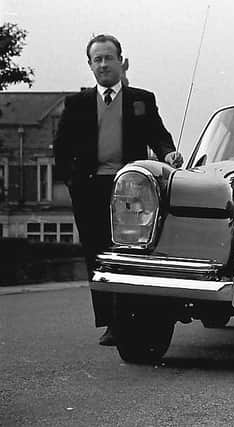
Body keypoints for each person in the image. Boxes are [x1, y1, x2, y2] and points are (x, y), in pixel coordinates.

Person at [54, 34, 183, 346]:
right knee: (96, 256)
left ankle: (127, 321)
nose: (103, 65)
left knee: (125, 254)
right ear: (90, 65)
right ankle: (109, 323)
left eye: (108, 58)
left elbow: (159, 136)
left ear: (120, 61)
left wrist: (169, 154)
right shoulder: (77, 103)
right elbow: (61, 148)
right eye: (96, 60)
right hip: (89, 190)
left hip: (130, 190)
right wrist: (72, 183)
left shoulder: (142, 99)